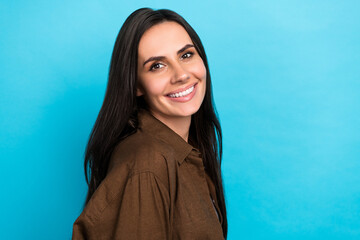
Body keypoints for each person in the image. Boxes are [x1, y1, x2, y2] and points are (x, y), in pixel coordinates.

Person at [72, 7, 227, 240]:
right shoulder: (149, 163)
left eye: (186, 55)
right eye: (157, 65)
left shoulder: (187, 152)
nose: (181, 74)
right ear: (135, 85)